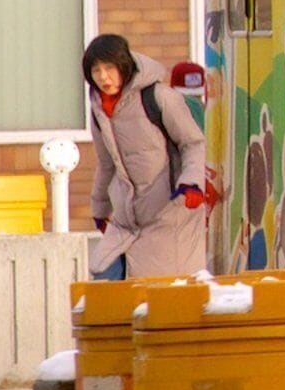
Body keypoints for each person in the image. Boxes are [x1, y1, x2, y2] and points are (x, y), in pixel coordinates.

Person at [83, 32, 213, 281]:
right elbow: (106, 163)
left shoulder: (159, 97)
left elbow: (193, 143)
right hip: (126, 220)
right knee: (102, 281)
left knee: (157, 294)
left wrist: (192, 183)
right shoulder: (99, 110)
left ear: (123, 65)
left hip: (170, 214)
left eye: (109, 68)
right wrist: (100, 208)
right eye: (96, 70)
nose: (103, 77)